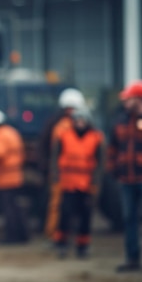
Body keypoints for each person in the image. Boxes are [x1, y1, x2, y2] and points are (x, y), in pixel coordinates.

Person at [50, 106, 105, 259]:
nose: (80, 123)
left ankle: (83, 246)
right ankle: (61, 244)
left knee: (85, 216)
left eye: (83, 120)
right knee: (65, 215)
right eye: (77, 120)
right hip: (68, 184)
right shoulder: (64, 136)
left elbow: (100, 164)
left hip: (87, 185)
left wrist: (96, 183)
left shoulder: (96, 138)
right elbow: (55, 158)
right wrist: (56, 177)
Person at [108, 79, 142, 272]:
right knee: (129, 219)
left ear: (139, 98)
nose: (125, 102)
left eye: (128, 98)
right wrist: (114, 169)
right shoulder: (120, 122)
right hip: (127, 180)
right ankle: (132, 259)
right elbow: (113, 149)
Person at [39, 88, 87, 238]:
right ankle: (56, 235)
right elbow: (48, 149)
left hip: (78, 175)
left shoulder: (81, 126)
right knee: (57, 205)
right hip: (61, 174)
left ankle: (71, 235)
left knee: (77, 207)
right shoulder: (57, 125)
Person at [0, 108, 29, 244]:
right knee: (16, 207)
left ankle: (12, 237)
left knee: (9, 209)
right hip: (15, 176)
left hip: (5, 177)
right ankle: (23, 235)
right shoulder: (11, 131)